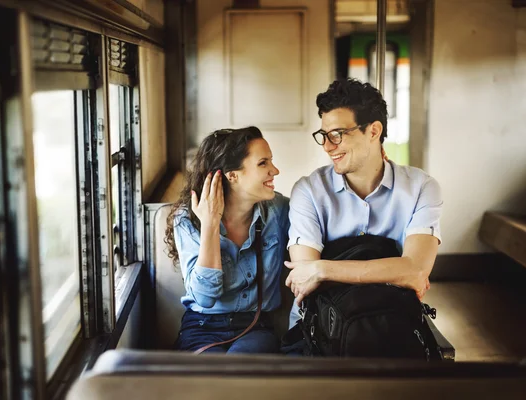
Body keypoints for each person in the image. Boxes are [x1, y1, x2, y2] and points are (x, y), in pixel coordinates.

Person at [285, 78, 443, 328]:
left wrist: (323, 270)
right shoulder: (310, 191)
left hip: (391, 326)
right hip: (317, 332)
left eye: (337, 135)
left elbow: (416, 270)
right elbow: (303, 278)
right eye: (323, 135)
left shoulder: (421, 188)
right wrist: (395, 272)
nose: (327, 147)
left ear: (373, 131)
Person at [165, 126, 290, 353]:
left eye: (271, 161)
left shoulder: (279, 211)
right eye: (263, 163)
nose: (275, 170)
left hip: (256, 327)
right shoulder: (188, 218)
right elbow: (204, 297)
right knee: (211, 379)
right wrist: (210, 224)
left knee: (238, 371)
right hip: (202, 326)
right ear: (232, 175)